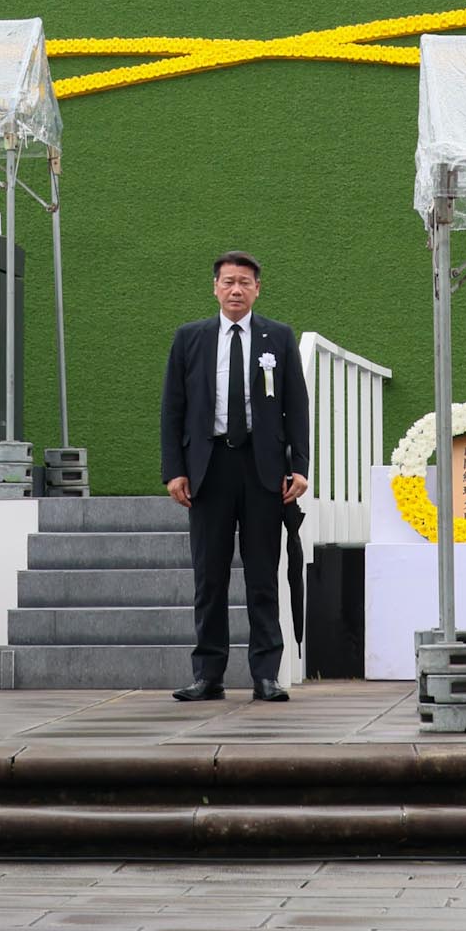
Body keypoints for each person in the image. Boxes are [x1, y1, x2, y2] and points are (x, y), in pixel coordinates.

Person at [161, 250, 310, 702]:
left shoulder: (277, 338)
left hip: (263, 470)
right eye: (228, 282)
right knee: (210, 576)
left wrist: (300, 466)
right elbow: (173, 409)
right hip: (209, 467)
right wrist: (175, 471)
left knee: (263, 574)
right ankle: (208, 674)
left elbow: (296, 405)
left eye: (245, 282)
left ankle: (266, 673)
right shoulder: (191, 338)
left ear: (257, 289)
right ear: (215, 287)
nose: (236, 290)